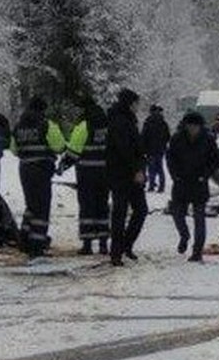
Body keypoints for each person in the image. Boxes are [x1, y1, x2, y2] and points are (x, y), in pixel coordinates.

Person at [10, 96, 66, 257]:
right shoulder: (46, 124)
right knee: (41, 208)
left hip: (25, 169)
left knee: (31, 205)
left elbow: (14, 150)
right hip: (41, 169)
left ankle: (25, 239)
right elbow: (59, 146)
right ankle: (37, 244)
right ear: (42, 109)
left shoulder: (19, 126)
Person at [166, 110, 219, 262]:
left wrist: (205, 174)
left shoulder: (208, 139)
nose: (192, 129)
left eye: (195, 126)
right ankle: (184, 235)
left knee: (199, 218)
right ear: (185, 126)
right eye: (189, 126)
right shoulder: (177, 138)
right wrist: (174, 175)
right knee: (177, 214)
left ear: (200, 127)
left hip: (199, 183)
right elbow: (170, 158)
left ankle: (197, 251)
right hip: (181, 182)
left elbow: (214, 160)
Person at [63, 95, 110, 256]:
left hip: (86, 171)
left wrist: (63, 165)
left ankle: (88, 244)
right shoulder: (106, 123)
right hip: (104, 171)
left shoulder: (84, 124)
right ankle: (104, 243)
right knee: (102, 205)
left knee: (87, 206)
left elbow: (75, 149)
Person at [106, 87, 148, 266]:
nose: (138, 106)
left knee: (135, 210)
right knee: (122, 212)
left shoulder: (126, 119)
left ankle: (123, 246)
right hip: (123, 174)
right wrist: (136, 170)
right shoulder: (121, 121)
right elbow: (125, 149)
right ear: (130, 103)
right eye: (136, 103)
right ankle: (118, 249)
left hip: (123, 172)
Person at [142, 104, 171, 193]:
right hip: (160, 149)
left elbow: (144, 136)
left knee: (151, 169)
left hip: (150, 149)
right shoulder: (163, 123)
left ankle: (151, 185)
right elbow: (168, 136)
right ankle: (161, 186)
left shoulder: (148, 122)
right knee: (160, 168)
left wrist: (143, 148)